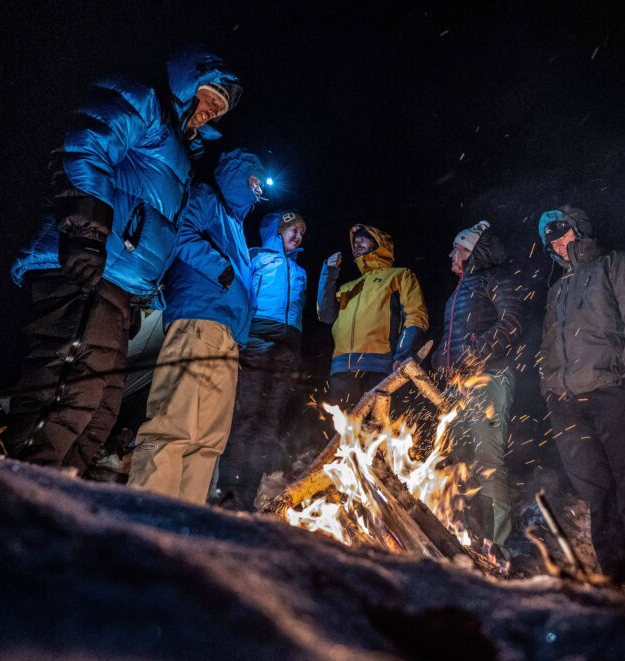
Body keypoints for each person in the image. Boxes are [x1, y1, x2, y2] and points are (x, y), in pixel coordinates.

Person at [6, 46, 241, 474]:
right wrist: (86, 233)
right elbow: (85, 144)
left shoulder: (181, 156)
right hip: (89, 267)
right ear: (189, 83)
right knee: (67, 392)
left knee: (100, 410)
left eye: (218, 109)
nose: (210, 112)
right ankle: (14, 499)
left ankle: (57, 500)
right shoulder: (143, 103)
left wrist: (140, 296)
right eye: (208, 98)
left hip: (120, 288)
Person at [537, 205, 625, 586]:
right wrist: (549, 388)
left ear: (579, 229)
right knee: (596, 494)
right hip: (566, 404)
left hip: (611, 391)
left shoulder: (615, 264)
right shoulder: (557, 289)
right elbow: (548, 347)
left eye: (561, 232)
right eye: (549, 240)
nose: (557, 243)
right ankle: (617, 580)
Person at [126, 149, 264, 504]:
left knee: (208, 440)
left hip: (227, 339)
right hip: (197, 323)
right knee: (173, 425)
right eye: (255, 179)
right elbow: (181, 233)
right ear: (238, 174)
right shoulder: (207, 197)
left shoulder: (236, 226)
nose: (259, 188)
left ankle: (183, 526)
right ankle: (146, 517)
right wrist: (222, 268)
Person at [432, 220, 525, 554]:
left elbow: (511, 322)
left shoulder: (495, 279)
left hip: (490, 378)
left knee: (488, 459)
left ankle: (499, 544)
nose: (450, 254)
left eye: (456, 248)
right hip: (458, 386)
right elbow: (450, 341)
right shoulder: (455, 295)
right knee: (459, 459)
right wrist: (438, 362)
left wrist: (474, 354)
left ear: (471, 251)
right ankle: (467, 535)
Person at [217, 210, 308, 510]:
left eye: (300, 233)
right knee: (246, 417)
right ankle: (227, 491)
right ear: (275, 231)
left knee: (270, 422)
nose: (297, 236)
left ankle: (248, 495)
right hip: (257, 340)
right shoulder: (257, 258)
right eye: (291, 230)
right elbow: (239, 294)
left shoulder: (299, 272)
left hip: (287, 347)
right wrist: (239, 335)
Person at [317, 225, 428, 409]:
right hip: (342, 368)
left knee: (377, 430)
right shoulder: (347, 287)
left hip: (381, 365)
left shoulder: (400, 275)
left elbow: (416, 316)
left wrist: (403, 355)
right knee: (342, 432)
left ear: (378, 243)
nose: (357, 243)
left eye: (363, 239)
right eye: (355, 241)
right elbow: (325, 315)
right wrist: (328, 274)